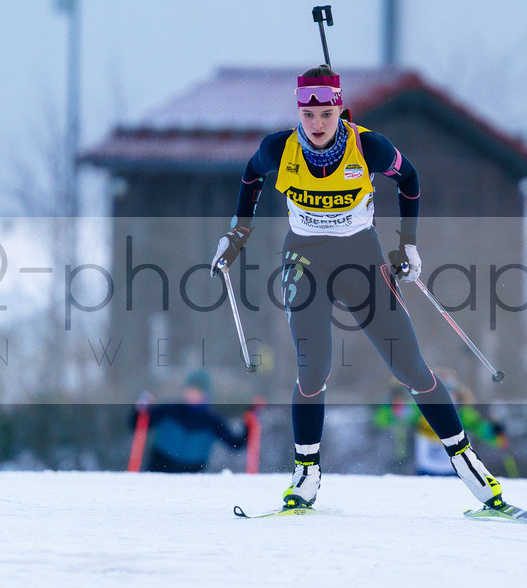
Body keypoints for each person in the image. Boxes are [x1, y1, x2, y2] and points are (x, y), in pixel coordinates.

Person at [210, 65, 509, 511]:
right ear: (299, 113)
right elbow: (250, 179)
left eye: (326, 114)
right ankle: (306, 473)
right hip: (306, 260)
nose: (317, 124)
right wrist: (236, 235)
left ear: (338, 110)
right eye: (308, 116)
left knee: (410, 367)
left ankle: (468, 464)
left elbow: (409, 179)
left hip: (361, 260)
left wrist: (408, 246)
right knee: (313, 369)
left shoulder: (368, 146)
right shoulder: (279, 149)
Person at [376, 372, 519, 478]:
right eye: (439, 393)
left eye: (448, 392)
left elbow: (483, 431)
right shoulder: (420, 410)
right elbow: (386, 419)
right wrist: (391, 405)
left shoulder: (464, 413)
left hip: (458, 473)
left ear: (456, 394)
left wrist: (495, 431)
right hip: (426, 471)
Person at [131, 370, 248, 473]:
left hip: (191, 477)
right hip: (158, 470)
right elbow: (138, 425)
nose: (192, 395)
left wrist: (249, 424)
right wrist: (140, 410)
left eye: (197, 392)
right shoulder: (169, 410)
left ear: (206, 395)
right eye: (189, 391)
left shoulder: (212, 420)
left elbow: (236, 444)